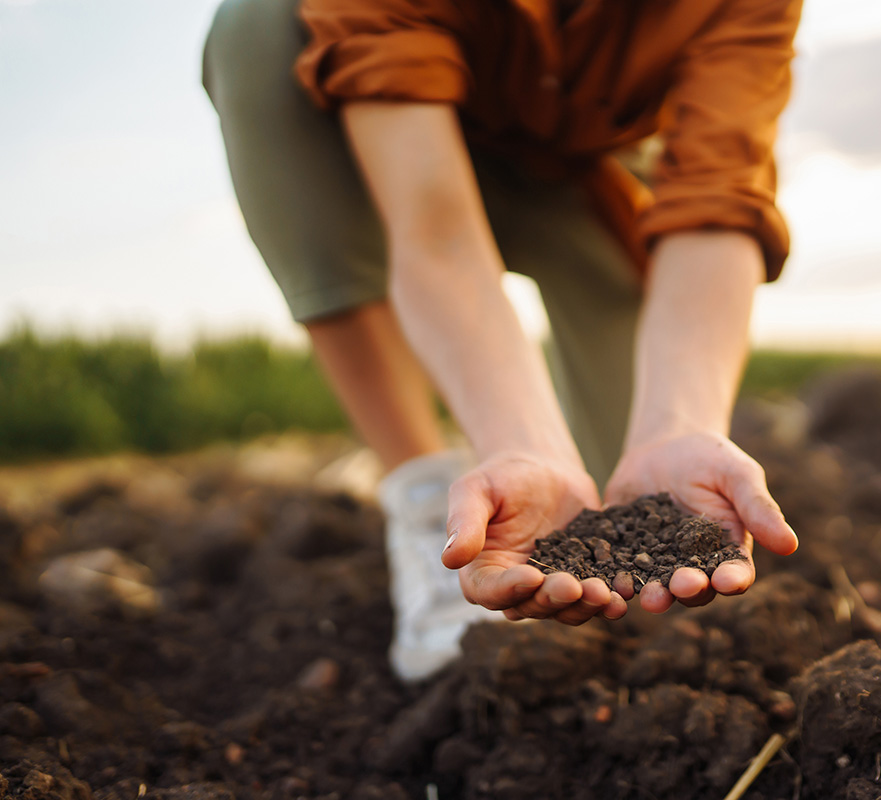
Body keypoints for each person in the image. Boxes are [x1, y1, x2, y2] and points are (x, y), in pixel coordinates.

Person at [203, 0, 803, 681]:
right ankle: (429, 500)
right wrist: (520, 443)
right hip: (404, 154)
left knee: (637, 514)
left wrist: (681, 423)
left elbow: (716, 201)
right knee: (258, 27)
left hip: (580, 171)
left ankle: (599, 460)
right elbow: (436, 228)